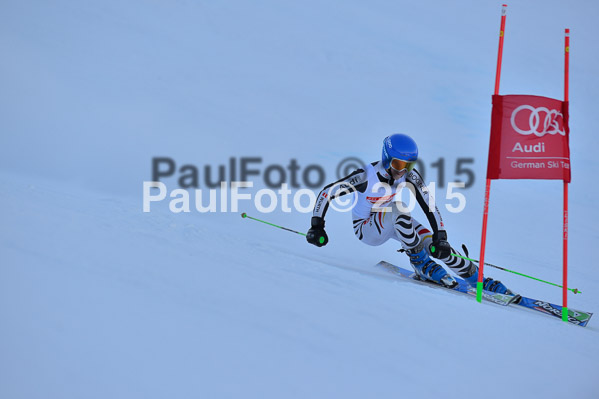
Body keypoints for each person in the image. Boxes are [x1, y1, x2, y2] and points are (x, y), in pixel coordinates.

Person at [306, 133, 512, 294]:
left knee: (435, 243)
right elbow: (327, 192)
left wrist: (441, 237)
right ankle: (420, 263)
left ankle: (476, 278)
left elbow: (428, 203)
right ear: (387, 158)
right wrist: (317, 226)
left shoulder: (409, 176)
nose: (402, 171)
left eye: (409, 165)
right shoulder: (365, 176)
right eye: (398, 164)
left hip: (393, 221)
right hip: (367, 228)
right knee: (399, 206)